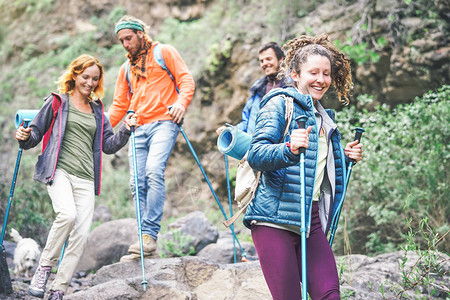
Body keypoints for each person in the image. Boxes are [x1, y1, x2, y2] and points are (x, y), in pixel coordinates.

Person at [244, 34, 363, 300]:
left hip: (311, 222)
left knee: (329, 294)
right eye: (313, 73)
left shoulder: (325, 119)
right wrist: (288, 149)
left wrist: (344, 158)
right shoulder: (278, 103)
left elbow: (315, 170)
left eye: (326, 73)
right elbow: (256, 154)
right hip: (273, 221)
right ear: (295, 74)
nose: (321, 79)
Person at [15, 54, 137, 300]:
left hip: (86, 179)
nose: (90, 83)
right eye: (85, 77)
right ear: (74, 75)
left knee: (80, 236)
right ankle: (44, 268)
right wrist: (24, 137)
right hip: (59, 171)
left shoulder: (97, 110)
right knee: (67, 215)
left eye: (95, 79)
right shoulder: (57, 102)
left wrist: (125, 128)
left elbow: (108, 145)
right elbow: (35, 134)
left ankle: (60, 288)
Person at [108, 15, 195, 261]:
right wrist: (93, 124)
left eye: (128, 38)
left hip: (164, 122)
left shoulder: (163, 52)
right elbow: (118, 106)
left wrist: (181, 103)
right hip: (136, 127)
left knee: (154, 171)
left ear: (140, 33)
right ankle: (143, 241)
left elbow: (185, 80)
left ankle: (149, 236)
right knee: (136, 182)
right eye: (121, 40)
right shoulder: (126, 69)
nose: (125, 44)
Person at [216, 42, 287, 135]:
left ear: (281, 59)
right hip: (257, 145)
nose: (265, 63)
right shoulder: (258, 89)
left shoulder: (292, 84)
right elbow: (247, 123)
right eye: (262, 61)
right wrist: (230, 130)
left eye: (268, 59)